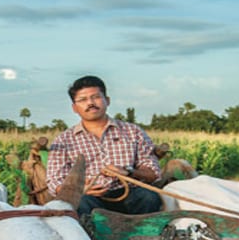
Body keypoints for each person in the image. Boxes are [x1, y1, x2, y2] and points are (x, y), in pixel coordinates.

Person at [46, 75, 164, 217]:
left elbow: (153, 172)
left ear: (107, 101)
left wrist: (128, 171)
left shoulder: (133, 131)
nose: (90, 103)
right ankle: (89, 238)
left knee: (149, 197)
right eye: (83, 100)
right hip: (90, 197)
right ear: (75, 108)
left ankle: (146, 236)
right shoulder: (64, 140)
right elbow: (54, 181)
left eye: (95, 97)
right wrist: (81, 189)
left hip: (130, 194)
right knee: (81, 203)